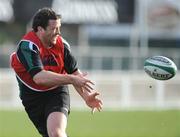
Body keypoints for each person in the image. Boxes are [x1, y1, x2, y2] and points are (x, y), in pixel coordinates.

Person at [10, 7, 103, 137]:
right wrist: (71, 79)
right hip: (32, 97)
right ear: (40, 29)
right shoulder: (27, 46)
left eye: (59, 28)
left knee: (56, 134)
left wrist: (86, 96)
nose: (58, 33)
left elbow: (75, 73)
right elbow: (39, 78)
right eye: (54, 29)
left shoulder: (62, 45)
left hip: (56, 92)